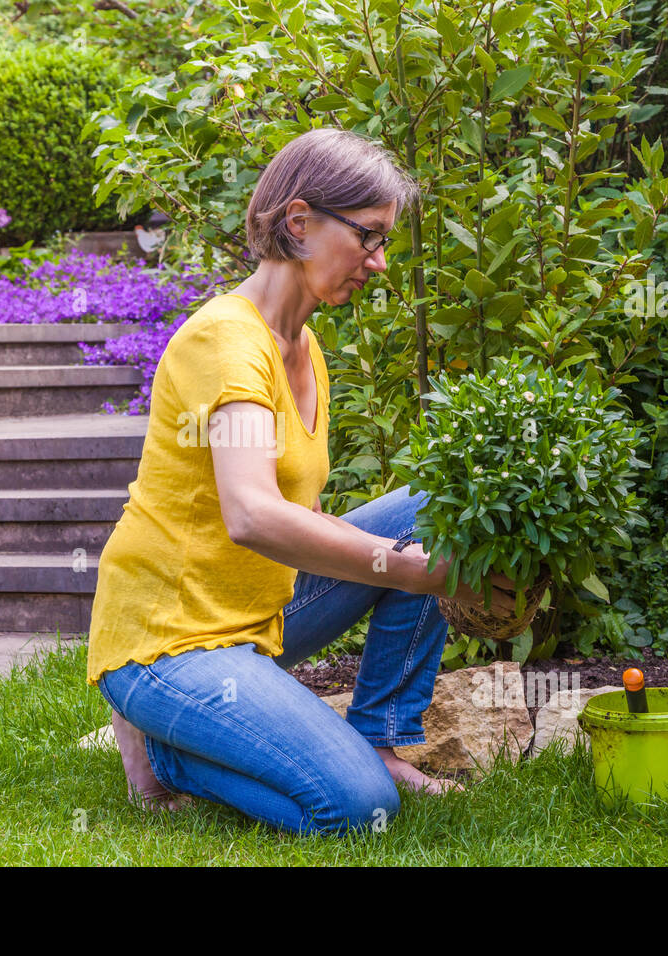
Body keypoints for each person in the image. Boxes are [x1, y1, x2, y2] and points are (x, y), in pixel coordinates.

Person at [85, 126, 518, 835]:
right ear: (299, 222)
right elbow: (253, 514)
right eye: (369, 238)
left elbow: (303, 515)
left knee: (435, 510)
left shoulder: (304, 345)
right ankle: (168, 751)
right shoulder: (226, 341)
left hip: (259, 612)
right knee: (353, 807)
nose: (378, 263)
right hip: (172, 639)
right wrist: (418, 576)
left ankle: (380, 739)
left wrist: (416, 558)